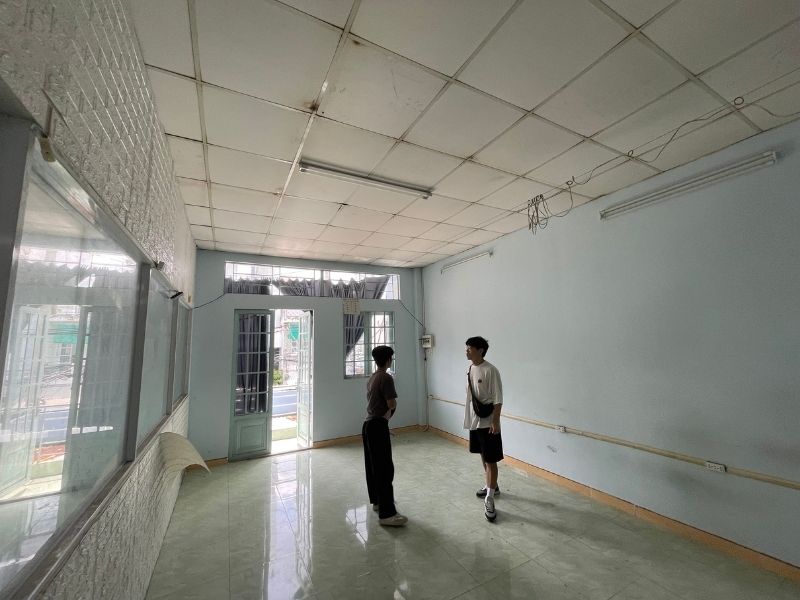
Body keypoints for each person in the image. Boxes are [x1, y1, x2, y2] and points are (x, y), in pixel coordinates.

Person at [362, 345, 407, 526]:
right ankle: (387, 515)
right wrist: (386, 418)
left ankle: (378, 502)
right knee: (385, 469)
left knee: (373, 467)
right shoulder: (386, 377)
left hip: (368, 425)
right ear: (388, 360)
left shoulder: (373, 377)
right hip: (377, 425)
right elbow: (391, 403)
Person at [464, 336, 503, 522]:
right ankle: (492, 486)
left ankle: (490, 498)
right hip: (475, 421)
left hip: (488, 423)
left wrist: (495, 421)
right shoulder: (471, 368)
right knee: (482, 454)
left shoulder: (491, 370)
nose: (466, 351)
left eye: (469, 348)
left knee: (491, 460)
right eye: (466, 348)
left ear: (480, 350)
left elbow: (498, 399)